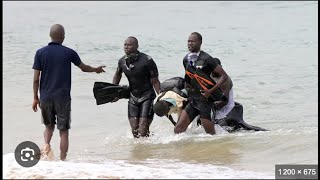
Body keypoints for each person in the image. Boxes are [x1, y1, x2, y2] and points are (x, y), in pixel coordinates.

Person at [32, 24, 105, 161]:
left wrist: (36, 98)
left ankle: (46, 145)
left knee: (49, 126)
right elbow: (83, 68)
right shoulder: (69, 52)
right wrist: (96, 69)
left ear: (50, 35)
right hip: (63, 98)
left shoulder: (40, 53)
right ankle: (63, 161)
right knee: (63, 131)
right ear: (63, 37)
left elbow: (36, 79)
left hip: (46, 97)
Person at [174, 32, 229, 135]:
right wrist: (184, 95)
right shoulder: (186, 59)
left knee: (211, 135)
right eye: (188, 41)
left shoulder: (207, 59)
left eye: (193, 41)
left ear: (200, 43)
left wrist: (211, 91)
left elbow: (224, 76)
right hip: (192, 100)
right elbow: (188, 79)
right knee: (178, 130)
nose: (190, 43)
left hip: (205, 101)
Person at [112, 36, 161, 138]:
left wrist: (160, 96)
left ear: (137, 46)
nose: (126, 47)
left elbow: (155, 80)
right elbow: (117, 75)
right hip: (133, 97)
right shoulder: (122, 61)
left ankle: (148, 149)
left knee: (142, 131)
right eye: (125, 44)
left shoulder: (147, 60)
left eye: (129, 45)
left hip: (147, 96)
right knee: (135, 132)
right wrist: (113, 92)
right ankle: (150, 144)